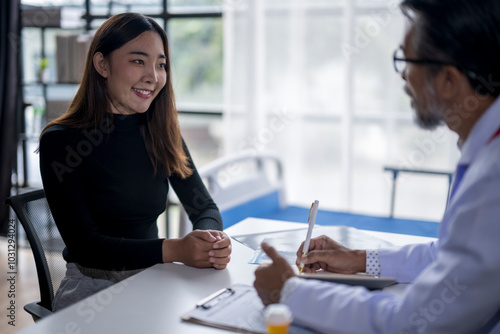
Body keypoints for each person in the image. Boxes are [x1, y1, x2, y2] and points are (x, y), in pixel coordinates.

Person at [253, 0, 500, 333]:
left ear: (448, 79)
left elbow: (409, 324)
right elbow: (450, 257)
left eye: (406, 60)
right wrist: (359, 260)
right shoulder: (485, 148)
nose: (402, 76)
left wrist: (289, 291)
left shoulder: (492, 179)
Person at [39, 13, 231, 311]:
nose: (153, 76)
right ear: (102, 65)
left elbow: (203, 206)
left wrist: (212, 240)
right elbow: (87, 247)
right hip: (92, 293)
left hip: (155, 278)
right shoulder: (61, 140)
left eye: (161, 64)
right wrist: (175, 249)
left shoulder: (160, 131)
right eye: (138, 61)